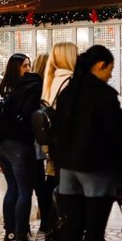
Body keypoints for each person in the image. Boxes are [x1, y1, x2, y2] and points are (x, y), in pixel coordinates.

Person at [53, 45, 122, 241]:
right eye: (110, 69)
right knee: (95, 232)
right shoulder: (103, 95)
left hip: (67, 170)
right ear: (99, 65)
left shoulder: (68, 92)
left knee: (75, 229)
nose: (111, 75)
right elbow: (118, 131)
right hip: (96, 170)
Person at [0, 53, 45, 241]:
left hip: (2, 144)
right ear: (16, 67)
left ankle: (10, 235)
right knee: (24, 191)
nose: (28, 69)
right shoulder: (30, 88)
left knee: (13, 189)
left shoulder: (6, 88)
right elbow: (29, 115)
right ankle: (22, 239)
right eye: (25, 65)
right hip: (19, 144)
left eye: (30, 65)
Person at [41, 43, 78, 201]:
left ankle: (54, 220)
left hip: (55, 142)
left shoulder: (51, 79)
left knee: (57, 182)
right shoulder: (70, 80)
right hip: (69, 142)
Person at [30, 53, 51, 238]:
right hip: (36, 145)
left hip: (30, 144)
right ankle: (46, 224)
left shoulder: (28, 85)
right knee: (42, 187)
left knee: (33, 187)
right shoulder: (40, 88)